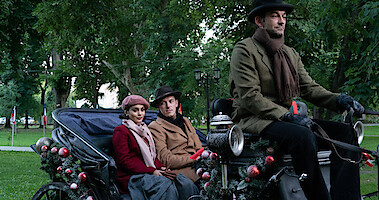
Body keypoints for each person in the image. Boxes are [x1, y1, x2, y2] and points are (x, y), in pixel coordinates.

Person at [229, 0, 364, 200]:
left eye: (283, 16)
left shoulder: (290, 53)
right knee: (303, 136)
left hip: (285, 120)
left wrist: (339, 100)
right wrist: (286, 115)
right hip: (255, 119)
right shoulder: (245, 50)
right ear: (259, 21)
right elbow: (251, 97)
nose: (281, 21)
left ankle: (346, 197)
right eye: (275, 16)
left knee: (345, 134)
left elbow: (308, 88)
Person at [112, 95, 198, 199]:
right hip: (132, 176)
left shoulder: (144, 130)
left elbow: (152, 156)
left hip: (148, 172)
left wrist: (162, 167)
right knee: (166, 184)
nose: (140, 114)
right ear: (127, 112)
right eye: (135, 110)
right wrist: (151, 170)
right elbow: (125, 160)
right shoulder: (121, 131)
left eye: (142, 110)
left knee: (182, 181)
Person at [148, 86, 203, 183]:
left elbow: (198, 146)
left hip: (199, 164)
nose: (168, 106)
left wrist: (203, 158)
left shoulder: (185, 121)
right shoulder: (155, 127)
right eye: (163, 103)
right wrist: (193, 159)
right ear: (158, 107)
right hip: (180, 170)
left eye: (170, 101)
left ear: (176, 103)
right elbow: (166, 159)